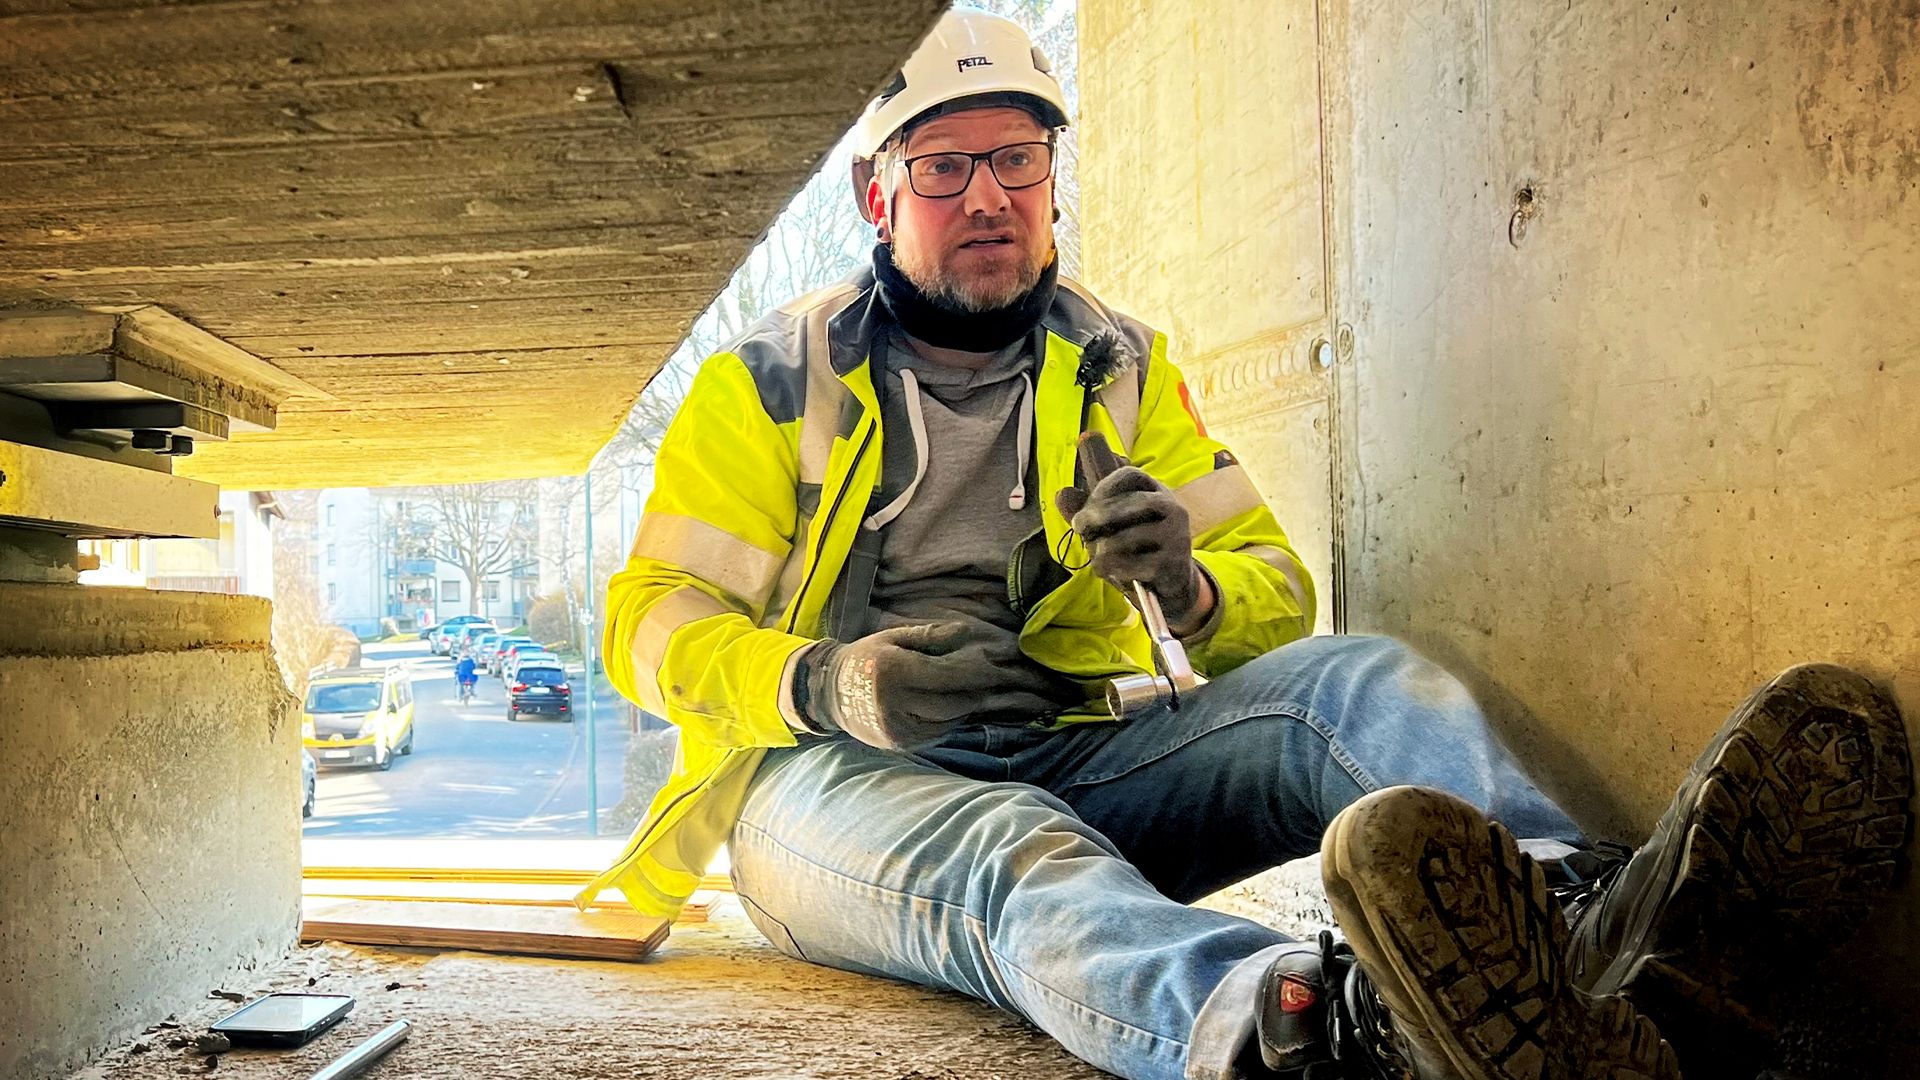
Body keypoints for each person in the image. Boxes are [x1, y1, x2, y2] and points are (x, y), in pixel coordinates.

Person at [581, 9, 1913, 1080]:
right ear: (880, 197)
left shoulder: (1112, 363)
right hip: (827, 795)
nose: (988, 197)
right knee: (1023, 867)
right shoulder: (771, 378)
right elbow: (646, 629)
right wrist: (832, 683)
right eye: (945, 166)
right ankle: (1319, 1033)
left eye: (1019, 160)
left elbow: (1280, 596)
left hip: (1069, 752)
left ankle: (1581, 930)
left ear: (1053, 183)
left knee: (1357, 682)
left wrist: (1187, 577)